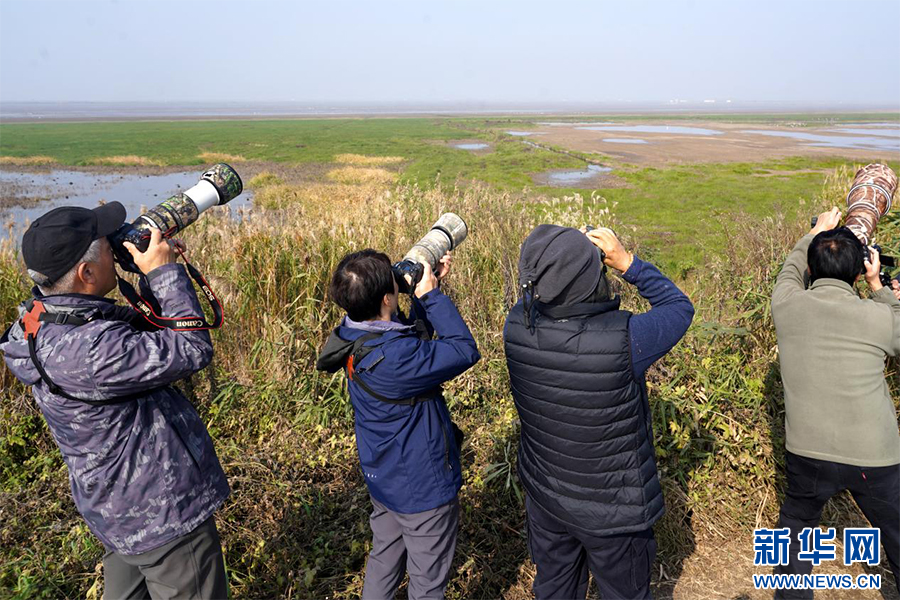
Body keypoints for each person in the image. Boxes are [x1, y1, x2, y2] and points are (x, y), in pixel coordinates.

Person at [0, 204, 230, 600]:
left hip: (115, 507)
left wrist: (146, 279)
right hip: (162, 514)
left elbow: (137, 333)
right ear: (86, 274)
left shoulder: (40, 317)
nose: (115, 244)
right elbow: (191, 348)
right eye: (107, 244)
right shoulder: (90, 351)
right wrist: (165, 274)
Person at [503, 225, 694, 600]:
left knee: (555, 588)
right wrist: (628, 263)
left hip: (546, 496)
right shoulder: (624, 340)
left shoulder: (516, 325)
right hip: (614, 512)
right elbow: (679, 308)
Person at [316, 249, 479, 600]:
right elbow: (464, 349)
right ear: (388, 298)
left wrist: (420, 294)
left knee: (385, 558)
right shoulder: (396, 356)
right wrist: (431, 295)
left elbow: (409, 341)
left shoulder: (354, 333)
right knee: (428, 580)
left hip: (384, 476)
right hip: (421, 486)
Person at [770, 207, 900, 598]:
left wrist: (816, 233)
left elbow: (789, 271)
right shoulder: (877, 316)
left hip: (807, 450)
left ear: (811, 268)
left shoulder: (787, 304)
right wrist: (880, 289)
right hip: (873, 456)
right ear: (858, 272)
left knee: (796, 526)